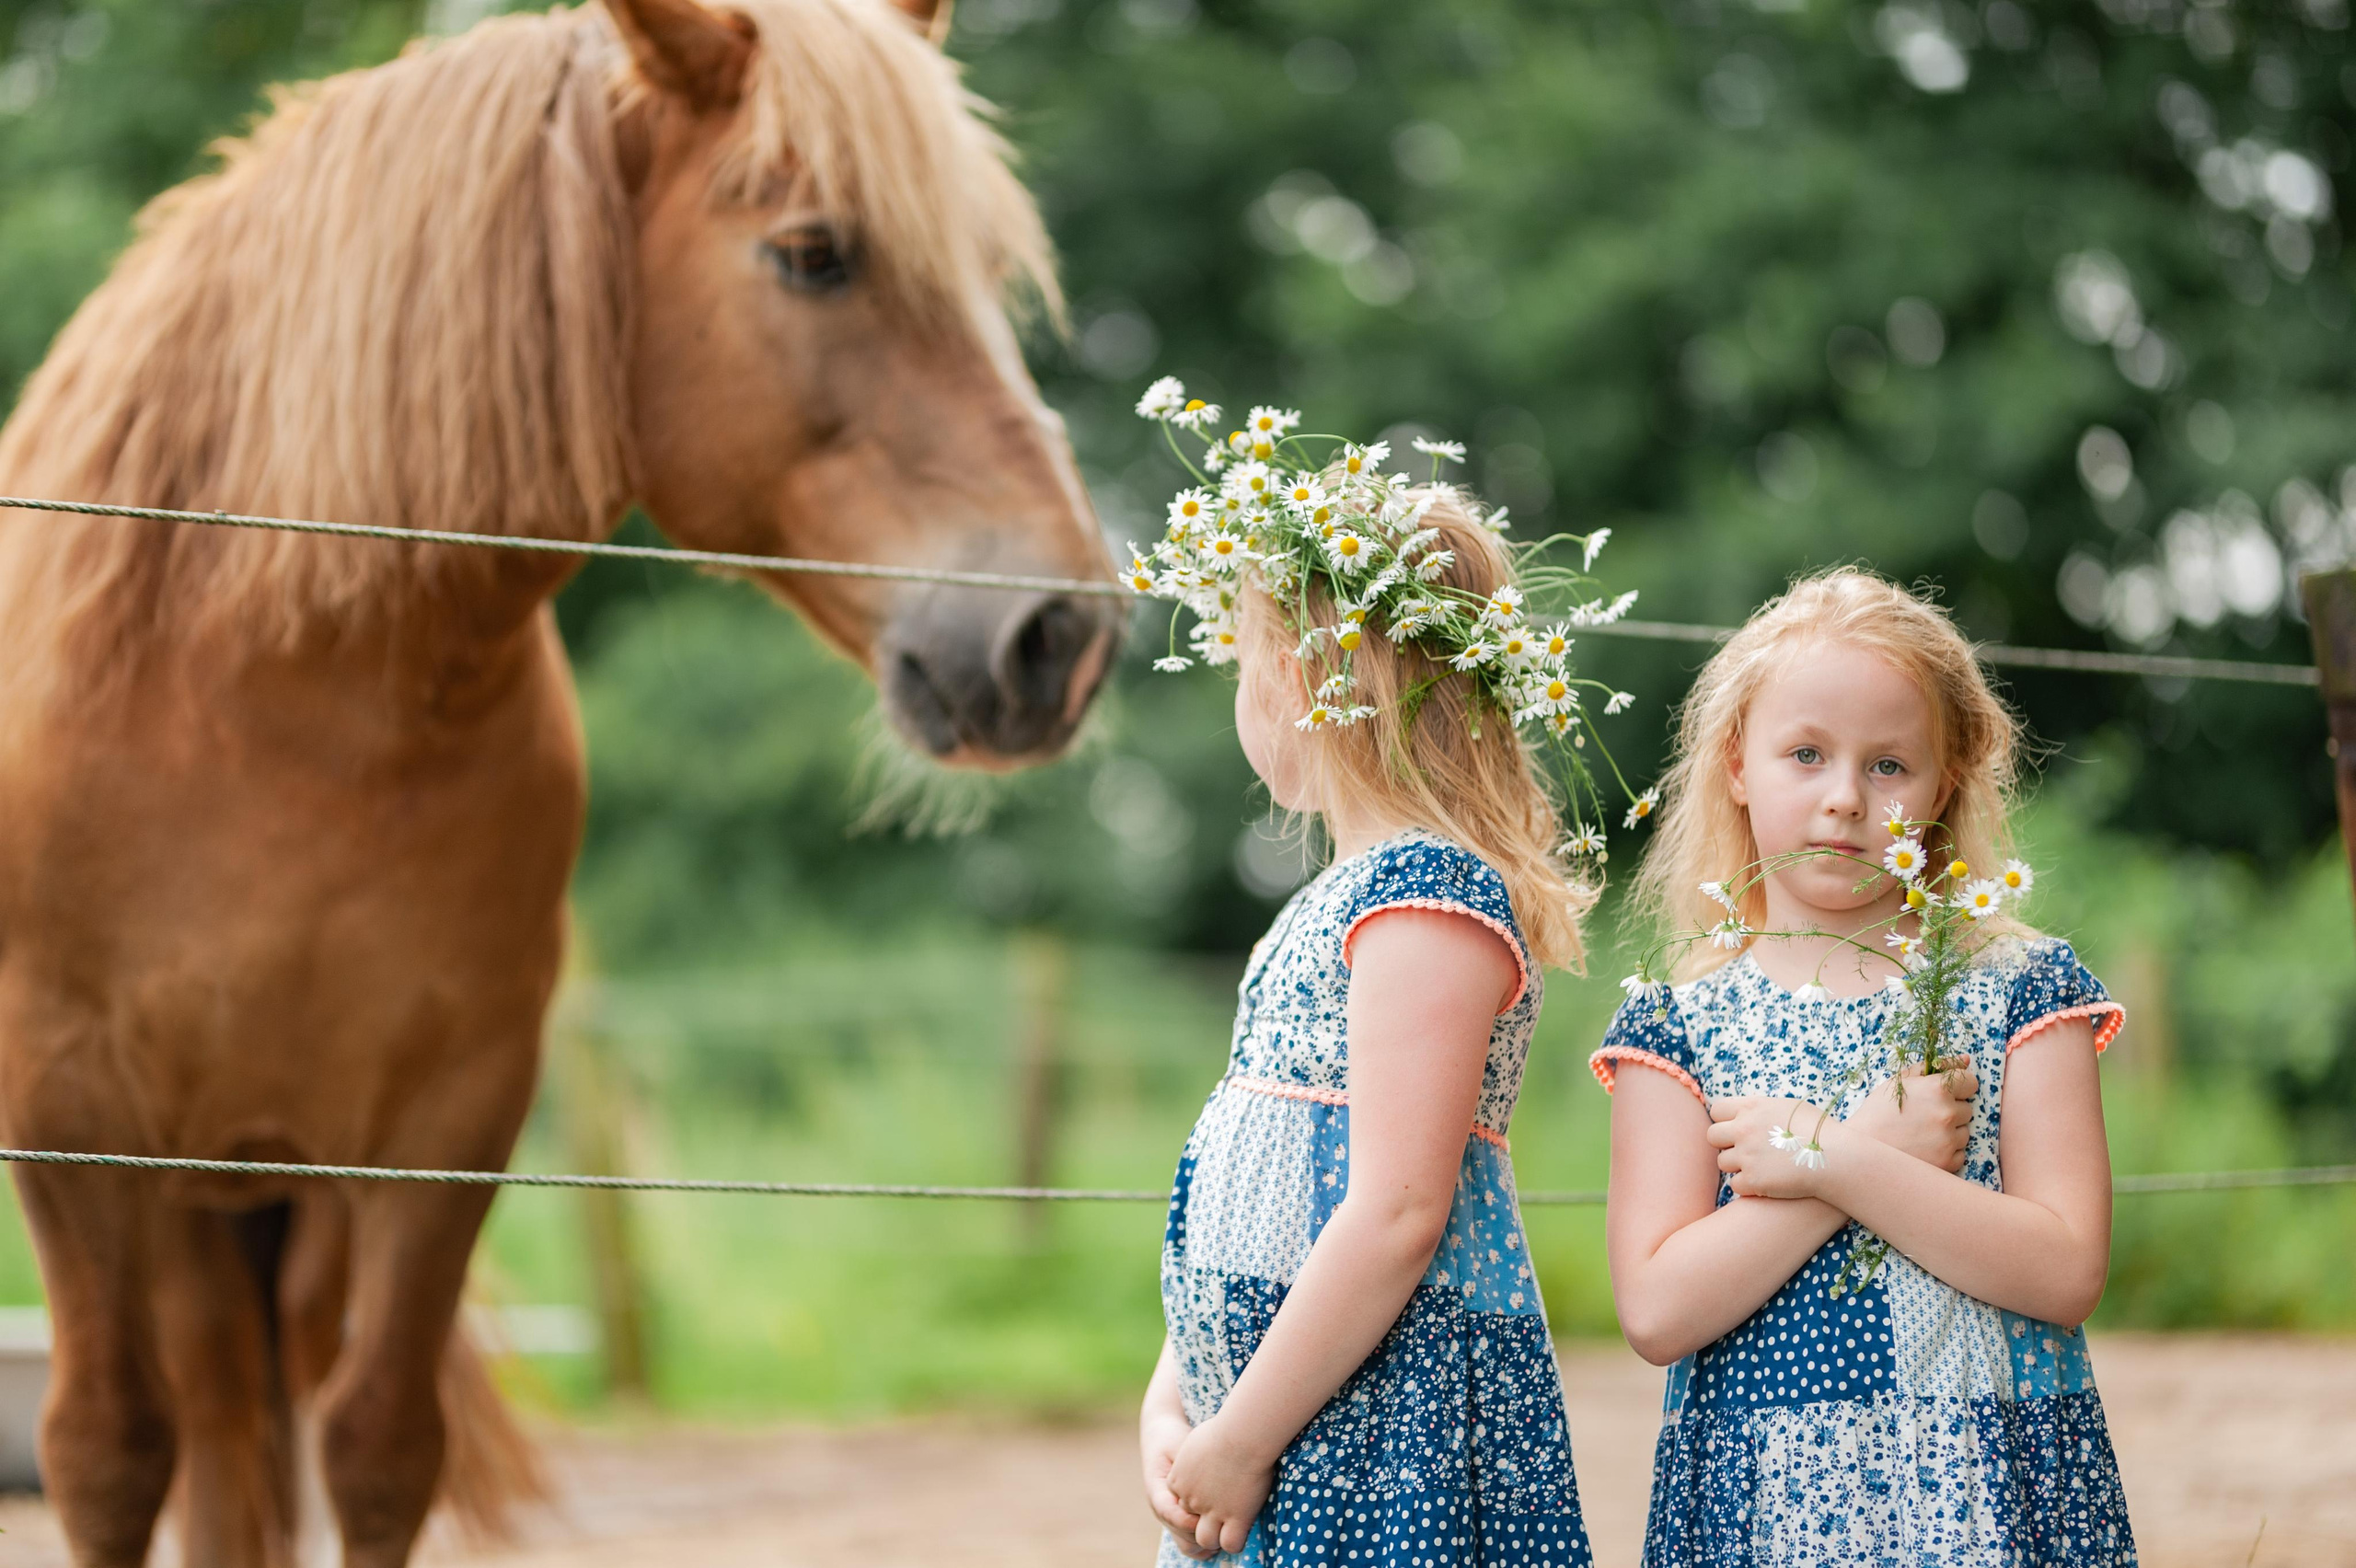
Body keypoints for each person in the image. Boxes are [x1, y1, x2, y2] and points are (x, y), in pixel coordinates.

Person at [1592, 568, 2135, 1566]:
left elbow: (2064, 1270)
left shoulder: (2019, 985)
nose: (1844, 798)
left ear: (1946, 779)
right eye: (1805, 754)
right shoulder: (1678, 1022)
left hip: (1989, 1486)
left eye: (1889, 765)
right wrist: (1851, 1153)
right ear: (1736, 762)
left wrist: (1836, 1162)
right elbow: (1659, 1309)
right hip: (1772, 1504)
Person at [1135, 482, 1598, 1565]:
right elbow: (1250, 1199)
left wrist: (1244, 1436)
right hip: (1273, 1420)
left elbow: (1396, 1207)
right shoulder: (1331, 903)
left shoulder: (1426, 900)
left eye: (1245, 667)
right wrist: (1182, 1397)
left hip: (1380, 1430)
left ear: (1304, 680)